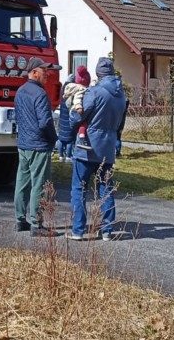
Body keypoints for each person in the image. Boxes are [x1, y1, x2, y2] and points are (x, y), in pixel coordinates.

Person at [61, 57, 127, 241]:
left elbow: (78, 116)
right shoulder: (122, 95)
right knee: (105, 188)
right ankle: (107, 230)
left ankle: (78, 230)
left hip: (87, 147)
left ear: (98, 73)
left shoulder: (95, 92)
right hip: (108, 148)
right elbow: (121, 123)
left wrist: (72, 112)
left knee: (79, 189)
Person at [13, 56, 61, 236]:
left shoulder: (20, 91)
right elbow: (45, 122)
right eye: (44, 72)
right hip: (38, 145)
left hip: (23, 144)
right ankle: (36, 223)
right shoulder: (40, 94)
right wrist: (53, 138)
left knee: (22, 182)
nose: (47, 75)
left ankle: (20, 220)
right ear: (34, 73)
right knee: (39, 185)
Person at [65, 65, 92, 150]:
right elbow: (78, 98)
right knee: (83, 124)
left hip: (73, 111)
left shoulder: (77, 87)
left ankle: (81, 139)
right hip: (76, 110)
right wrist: (78, 106)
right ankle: (81, 138)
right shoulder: (81, 89)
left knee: (81, 125)